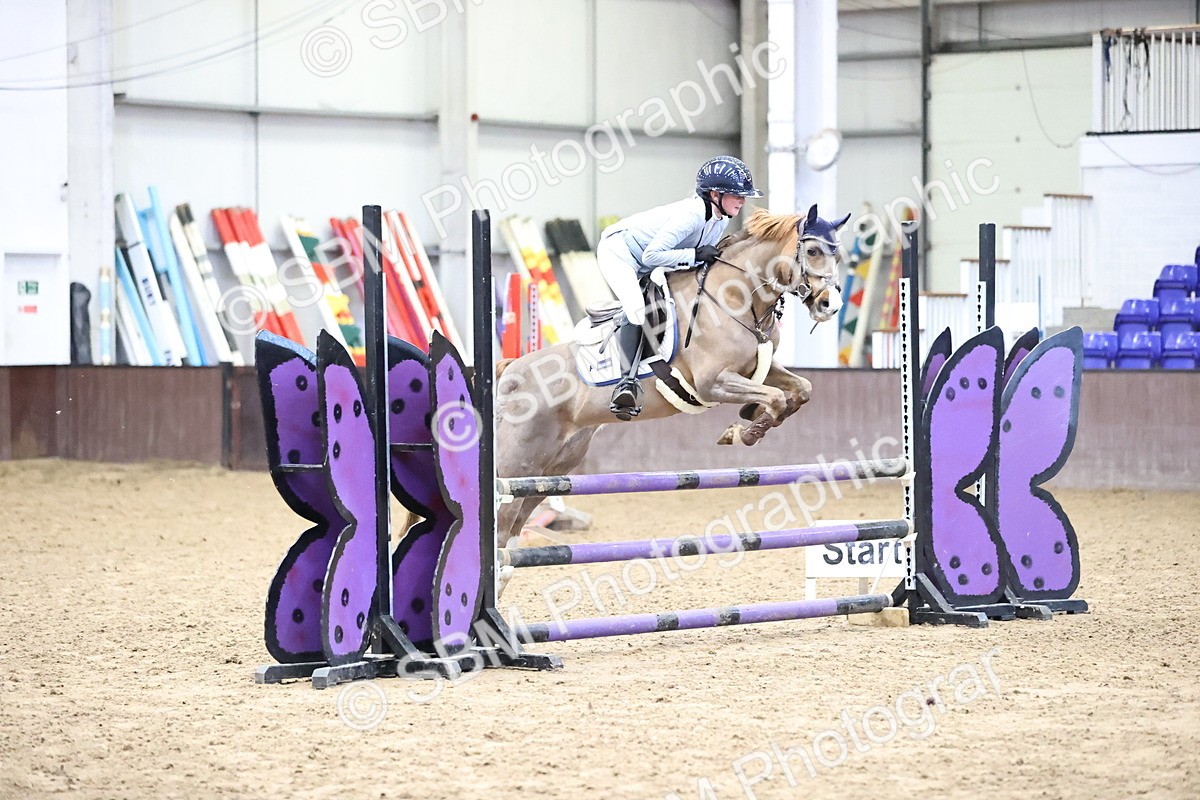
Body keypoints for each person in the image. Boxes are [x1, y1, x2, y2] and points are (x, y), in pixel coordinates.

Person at [596, 155, 763, 420]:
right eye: (737, 195)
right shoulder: (691, 215)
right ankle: (626, 383)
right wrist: (695, 254)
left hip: (651, 260)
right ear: (715, 194)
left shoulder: (719, 219)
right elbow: (652, 256)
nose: (742, 201)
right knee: (637, 309)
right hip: (621, 253)